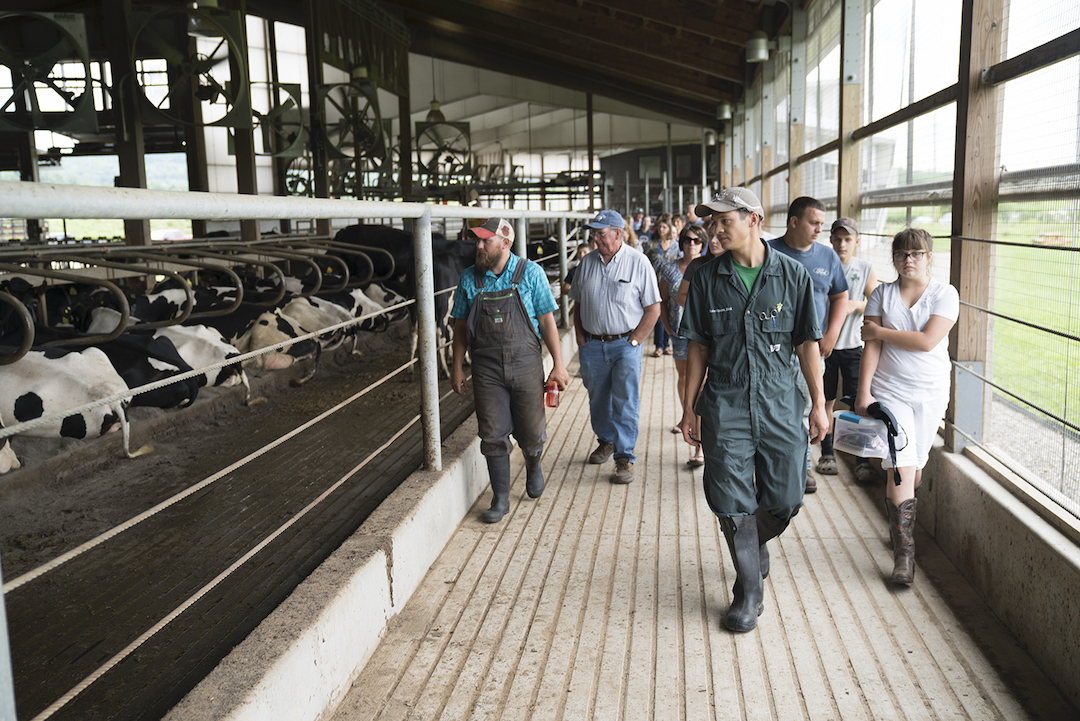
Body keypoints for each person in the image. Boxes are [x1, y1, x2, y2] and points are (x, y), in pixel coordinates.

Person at [679, 187, 828, 633]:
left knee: (786, 497)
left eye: (725, 220)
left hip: (781, 400)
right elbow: (698, 348)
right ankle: (748, 591)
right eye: (712, 221)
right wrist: (690, 408)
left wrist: (819, 404)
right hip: (725, 400)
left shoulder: (794, 276)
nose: (715, 229)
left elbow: (808, 344)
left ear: (754, 220)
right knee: (729, 496)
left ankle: (753, 541)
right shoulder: (706, 278)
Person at [451, 218, 570, 523]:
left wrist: (558, 363)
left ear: (505, 243)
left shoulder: (531, 273)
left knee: (531, 430)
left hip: (525, 364)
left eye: (485, 241)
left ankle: (533, 464)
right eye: (476, 240)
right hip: (486, 367)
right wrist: (457, 367)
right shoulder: (469, 279)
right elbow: (461, 328)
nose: (478, 246)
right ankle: (500, 498)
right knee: (492, 432)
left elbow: (546, 321)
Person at [855, 228, 958, 584]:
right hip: (890, 390)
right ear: (894, 259)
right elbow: (871, 349)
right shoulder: (882, 294)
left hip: (930, 391)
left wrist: (879, 331)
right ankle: (905, 555)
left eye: (916, 254)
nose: (908, 260)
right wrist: (863, 392)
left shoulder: (945, 294)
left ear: (929, 257)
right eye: (901, 254)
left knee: (914, 469)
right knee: (900, 464)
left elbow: (928, 341)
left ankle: (900, 527)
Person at [569, 209, 661, 484]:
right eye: (594, 234)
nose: (595, 238)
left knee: (625, 400)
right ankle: (606, 441)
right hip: (593, 345)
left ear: (618, 233)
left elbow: (653, 308)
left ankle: (624, 457)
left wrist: (635, 341)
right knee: (598, 399)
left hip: (625, 345)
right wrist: (581, 340)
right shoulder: (586, 263)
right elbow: (578, 304)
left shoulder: (638, 262)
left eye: (601, 233)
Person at [768, 197, 848, 493]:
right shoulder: (768, 252)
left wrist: (832, 333)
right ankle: (770, 468)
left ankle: (801, 468)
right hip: (771, 349)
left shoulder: (827, 258)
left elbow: (840, 296)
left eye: (821, 224)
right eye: (814, 223)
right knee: (772, 410)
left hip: (811, 349)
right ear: (793, 222)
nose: (819, 230)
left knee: (805, 409)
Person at [817, 218, 879, 481]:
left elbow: (876, 303)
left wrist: (856, 304)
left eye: (848, 239)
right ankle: (827, 453)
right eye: (838, 239)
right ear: (830, 239)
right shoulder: (822, 264)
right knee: (826, 400)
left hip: (854, 347)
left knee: (858, 404)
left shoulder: (864, 268)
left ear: (857, 241)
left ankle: (861, 461)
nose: (842, 244)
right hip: (825, 346)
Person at [659, 224, 707, 466]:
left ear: (703, 243)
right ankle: (686, 413)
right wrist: (667, 327)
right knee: (684, 377)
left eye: (697, 240)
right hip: (679, 332)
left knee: (700, 385)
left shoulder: (709, 267)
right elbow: (663, 300)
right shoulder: (669, 269)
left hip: (703, 334)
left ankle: (699, 437)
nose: (692, 244)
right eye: (688, 240)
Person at [643, 214, 679, 356]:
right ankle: (659, 345)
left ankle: (666, 344)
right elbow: (645, 263)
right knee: (658, 315)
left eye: (664, 227)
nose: (662, 229)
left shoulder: (674, 245)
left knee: (670, 313)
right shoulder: (651, 245)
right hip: (655, 283)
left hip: (670, 283)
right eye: (660, 227)